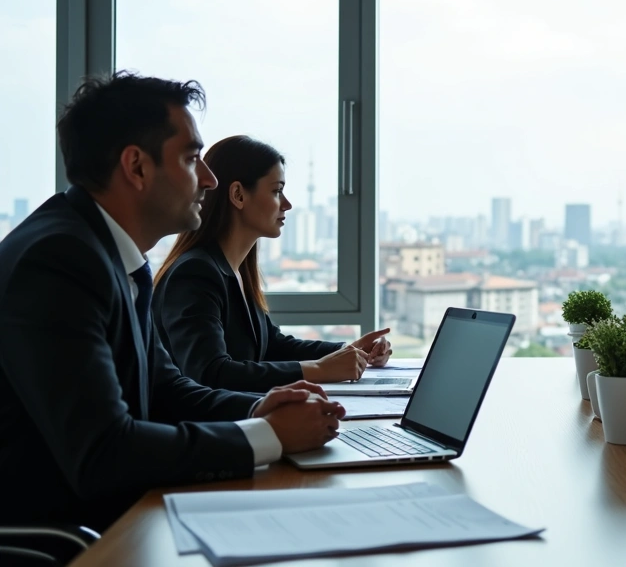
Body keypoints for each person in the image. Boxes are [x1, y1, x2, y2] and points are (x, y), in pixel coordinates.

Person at [0, 72, 346, 529]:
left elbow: (165, 389)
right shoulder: (59, 261)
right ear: (137, 167)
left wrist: (255, 409)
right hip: (70, 542)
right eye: (192, 158)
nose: (209, 179)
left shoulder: (113, 256)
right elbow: (102, 453)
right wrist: (266, 438)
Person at [153, 135, 393, 392]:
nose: (287, 204)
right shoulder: (195, 274)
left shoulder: (236, 270)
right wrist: (320, 370)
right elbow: (210, 372)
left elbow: (273, 346)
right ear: (238, 195)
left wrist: (350, 351)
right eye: (277, 191)